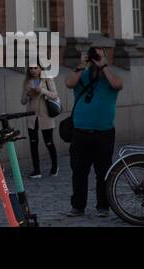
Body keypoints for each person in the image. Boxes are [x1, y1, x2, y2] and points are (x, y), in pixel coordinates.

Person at [64, 46, 123, 218]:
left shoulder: (110, 76)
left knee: (103, 171)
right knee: (79, 172)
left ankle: (103, 206)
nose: (96, 58)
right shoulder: (81, 74)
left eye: (99, 55)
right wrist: (82, 64)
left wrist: (103, 66)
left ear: (106, 58)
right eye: (93, 56)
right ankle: (77, 206)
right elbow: (69, 83)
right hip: (81, 132)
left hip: (104, 132)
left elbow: (118, 84)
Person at [21, 66, 60, 178]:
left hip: (46, 116)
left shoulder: (48, 79)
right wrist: (28, 95)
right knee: (33, 143)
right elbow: (22, 101)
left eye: (36, 68)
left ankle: (54, 166)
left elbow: (55, 95)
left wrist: (43, 91)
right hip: (32, 117)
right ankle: (36, 170)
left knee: (49, 142)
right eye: (31, 68)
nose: (33, 70)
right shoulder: (27, 81)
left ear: (41, 69)